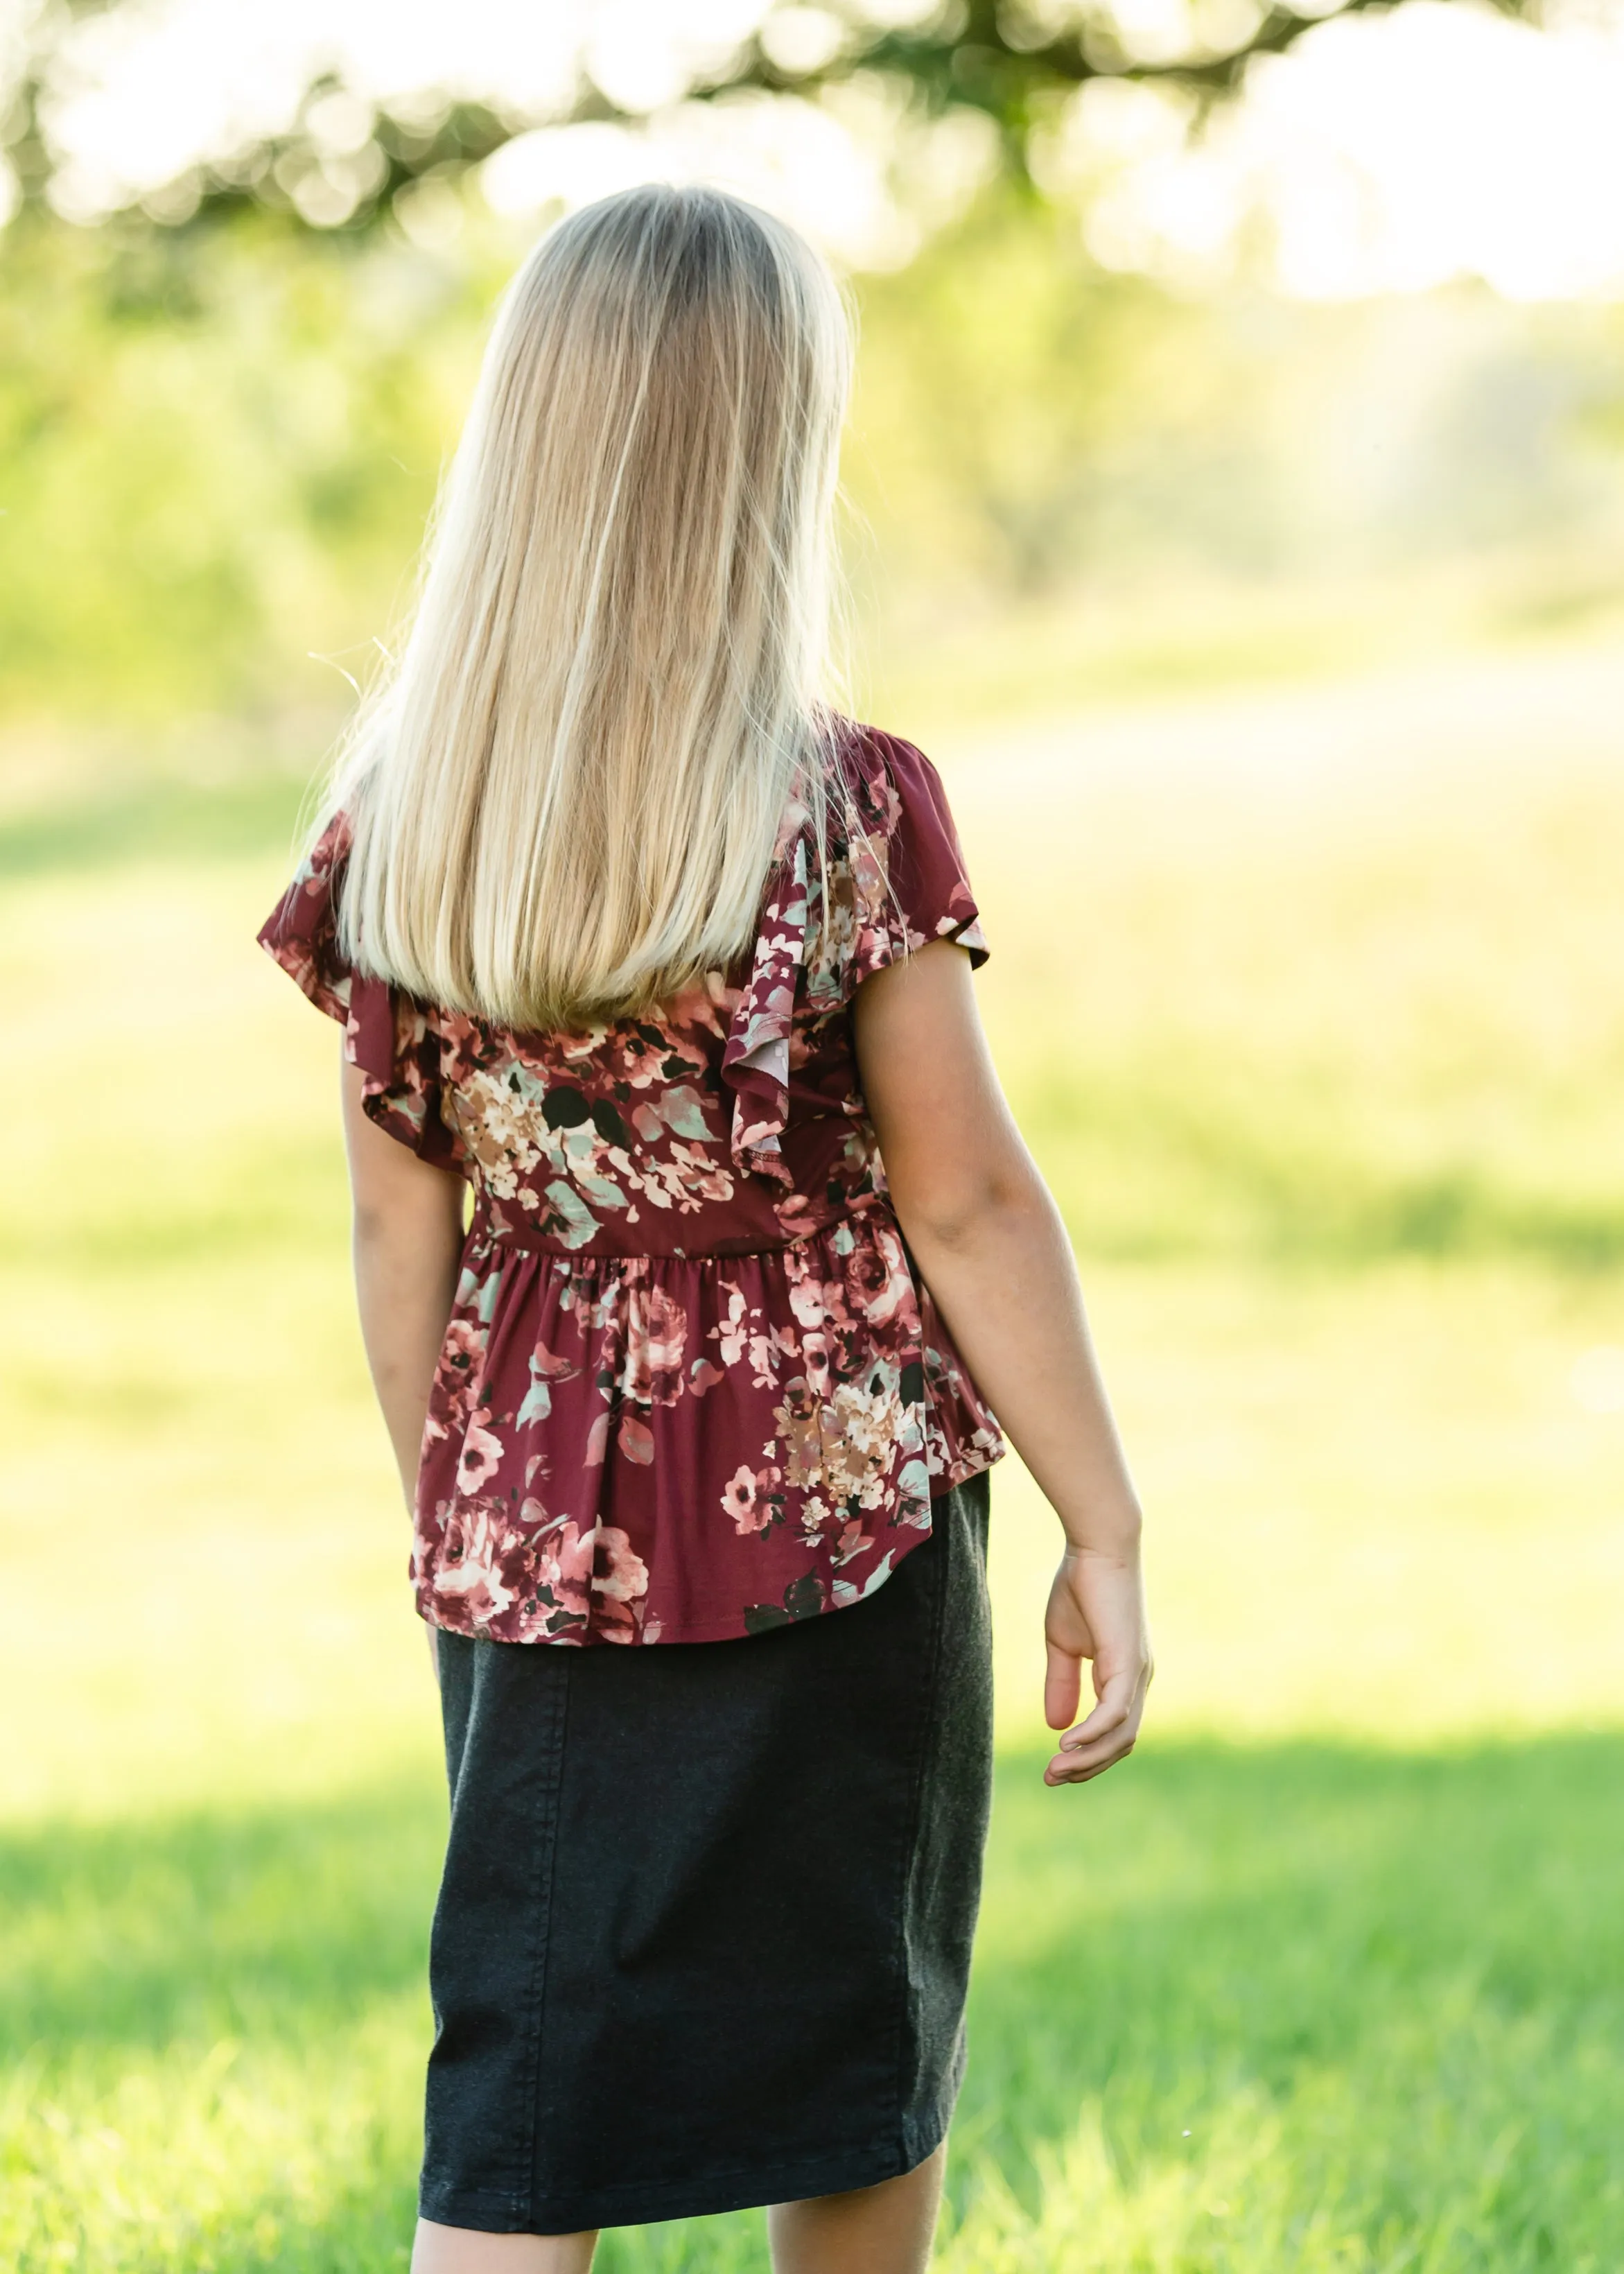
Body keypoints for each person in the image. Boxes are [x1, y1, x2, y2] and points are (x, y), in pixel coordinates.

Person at [258, 182, 1151, 2274]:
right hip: (841, 1503)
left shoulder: (403, 830)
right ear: (771, 457)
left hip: (530, 1521)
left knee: (526, 2081)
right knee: (853, 2053)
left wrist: (464, 1517)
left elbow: (405, 1238)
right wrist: (1098, 1519)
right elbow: (964, 1193)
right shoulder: (842, 807)